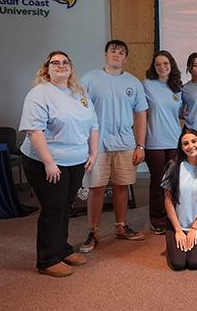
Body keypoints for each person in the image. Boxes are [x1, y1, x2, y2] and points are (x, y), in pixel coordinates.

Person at [19, 51, 99, 277]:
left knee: (66, 207)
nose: (61, 65)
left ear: (71, 68)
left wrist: (93, 152)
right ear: (47, 69)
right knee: (53, 209)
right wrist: (49, 163)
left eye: (65, 62)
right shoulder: (40, 93)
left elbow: (93, 124)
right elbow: (34, 131)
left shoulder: (79, 92)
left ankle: (63, 250)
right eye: (55, 63)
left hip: (76, 161)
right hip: (45, 162)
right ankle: (47, 260)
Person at [80, 40, 148, 253]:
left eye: (121, 52)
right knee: (96, 188)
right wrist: (85, 145)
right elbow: (80, 112)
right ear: (105, 55)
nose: (116, 55)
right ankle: (93, 231)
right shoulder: (89, 79)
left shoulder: (134, 82)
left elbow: (141, 116)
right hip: (96, 146)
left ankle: (121, 226)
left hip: (126, 144)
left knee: (122, 186)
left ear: (125, 58)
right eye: (113, 51)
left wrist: (141, 145)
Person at [143, 50, 183, 235]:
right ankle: (158, 219)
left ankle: (172, 215)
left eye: (165, 63)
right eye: (158, 64)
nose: (162, 67)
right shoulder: (146, 85)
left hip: (175, 140)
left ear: (171, 65)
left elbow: (180, 112)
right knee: (159, 181)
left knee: (173, 181)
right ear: (154, 66)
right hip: (154, 141)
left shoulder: (177, 88)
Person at [161, 129, 197, 271]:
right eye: (185, 143)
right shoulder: (173, 167)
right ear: (182, 148)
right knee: (178, 264)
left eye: (193, 141)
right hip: (177, 223)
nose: (190, 146)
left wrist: (195, 227)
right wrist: (178, 230)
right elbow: (168, 201)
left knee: (194, 263)